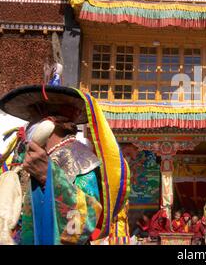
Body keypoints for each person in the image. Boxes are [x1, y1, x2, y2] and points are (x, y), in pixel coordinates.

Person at [0, 85, 129, 244]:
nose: (26, 127)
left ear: (48, 125)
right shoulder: (31, 157)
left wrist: (48, 177)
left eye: (32, 119)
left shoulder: (81, 160)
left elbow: (84, 223)